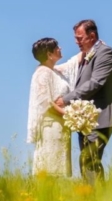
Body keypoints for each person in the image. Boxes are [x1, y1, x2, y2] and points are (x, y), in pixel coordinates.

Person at [55, 19, 112, 185]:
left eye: (79, 38)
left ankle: (96, 200)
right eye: (76, 38)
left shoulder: (106, 53)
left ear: (92, 36)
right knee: (87, 160)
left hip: (100, 117)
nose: (76, 42)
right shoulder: (84, 56)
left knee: (89, 159)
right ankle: (92, 199)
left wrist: (66, 100)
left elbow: (95, 83)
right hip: (85, 119)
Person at [27, 37, 80, 177]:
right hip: (51, 126)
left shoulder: (55, 71)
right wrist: (68, 115)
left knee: (59, 170)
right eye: (56, 46)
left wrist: (93, 47)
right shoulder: (42, 73)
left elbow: (72, 64)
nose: (60, 48)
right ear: (49, 54)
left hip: (61, 125)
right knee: (50, 169)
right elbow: (46, 103)